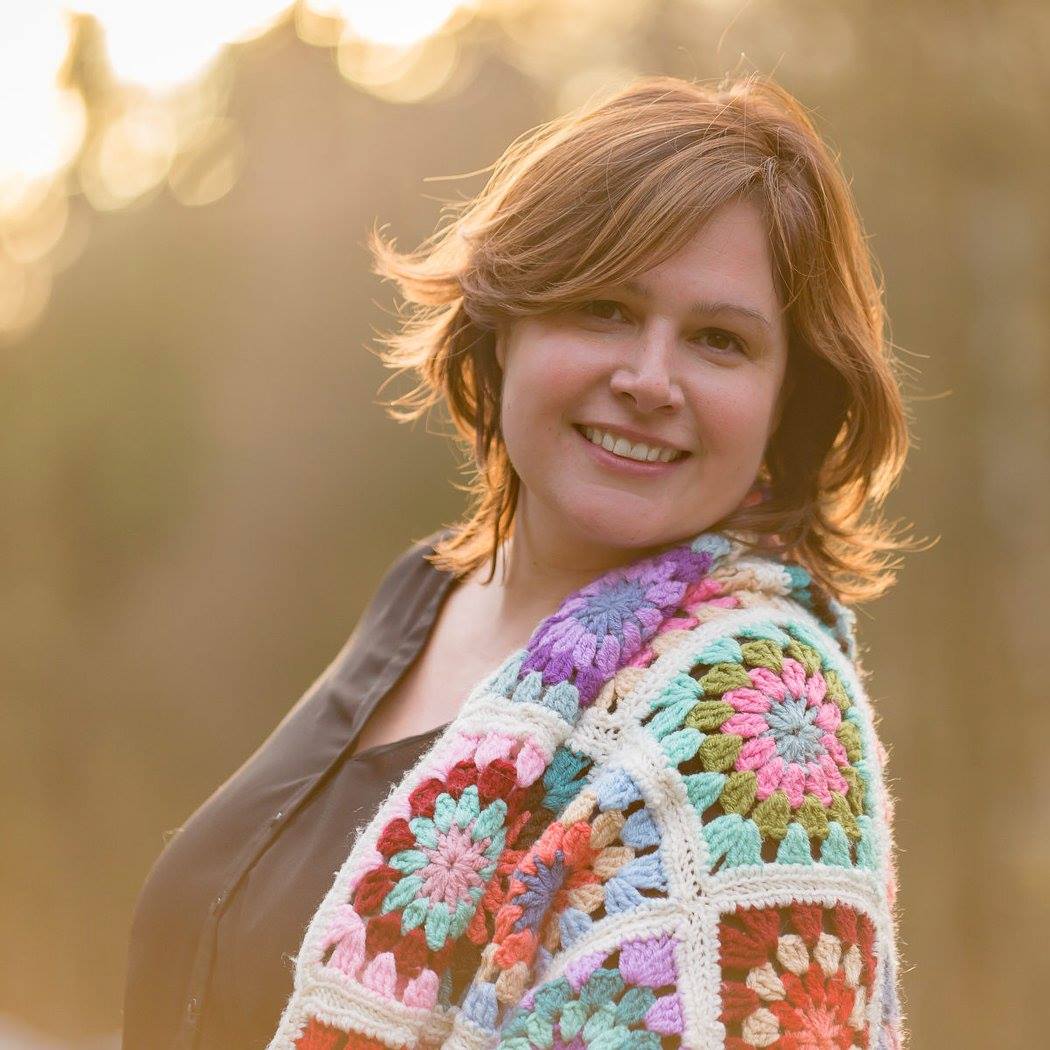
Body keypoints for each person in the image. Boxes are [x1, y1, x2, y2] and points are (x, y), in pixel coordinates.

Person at [124, 73, 917, 1050]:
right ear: (504, 324)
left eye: (718, 340)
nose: (649, 380)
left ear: (786, 402)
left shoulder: (760, 723)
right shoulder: (426, 592)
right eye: (605, 308)